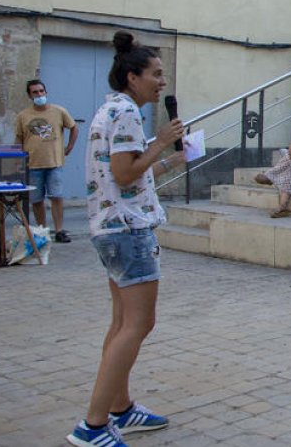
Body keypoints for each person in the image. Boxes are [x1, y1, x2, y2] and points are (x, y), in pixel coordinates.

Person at [66, 31, 185, 447]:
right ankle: (93, 425)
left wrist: (167, 159)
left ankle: (121, 407)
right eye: (156, 74)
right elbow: (124, 172)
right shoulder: (129, 114)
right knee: (138, 323)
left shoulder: (111, 110)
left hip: (113, 225)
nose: (162, 82)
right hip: (127, 230)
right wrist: (164, 141)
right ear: (133, 77)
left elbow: (128, 171)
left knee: (120, 323)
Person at [14, 79, 78, 243]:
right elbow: (19, 138)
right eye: (35, 92)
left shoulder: (58, 111)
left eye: (41, 91)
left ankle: (59, 229)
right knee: (36, 199)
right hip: (33, 163)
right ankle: (42, 230)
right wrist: (17, 160)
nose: (39, 95)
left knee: (56, 196)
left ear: (46, 92)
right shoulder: (23, 116)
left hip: (54, 162)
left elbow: (73, 127)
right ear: (30, 95)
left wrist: (70, 146)